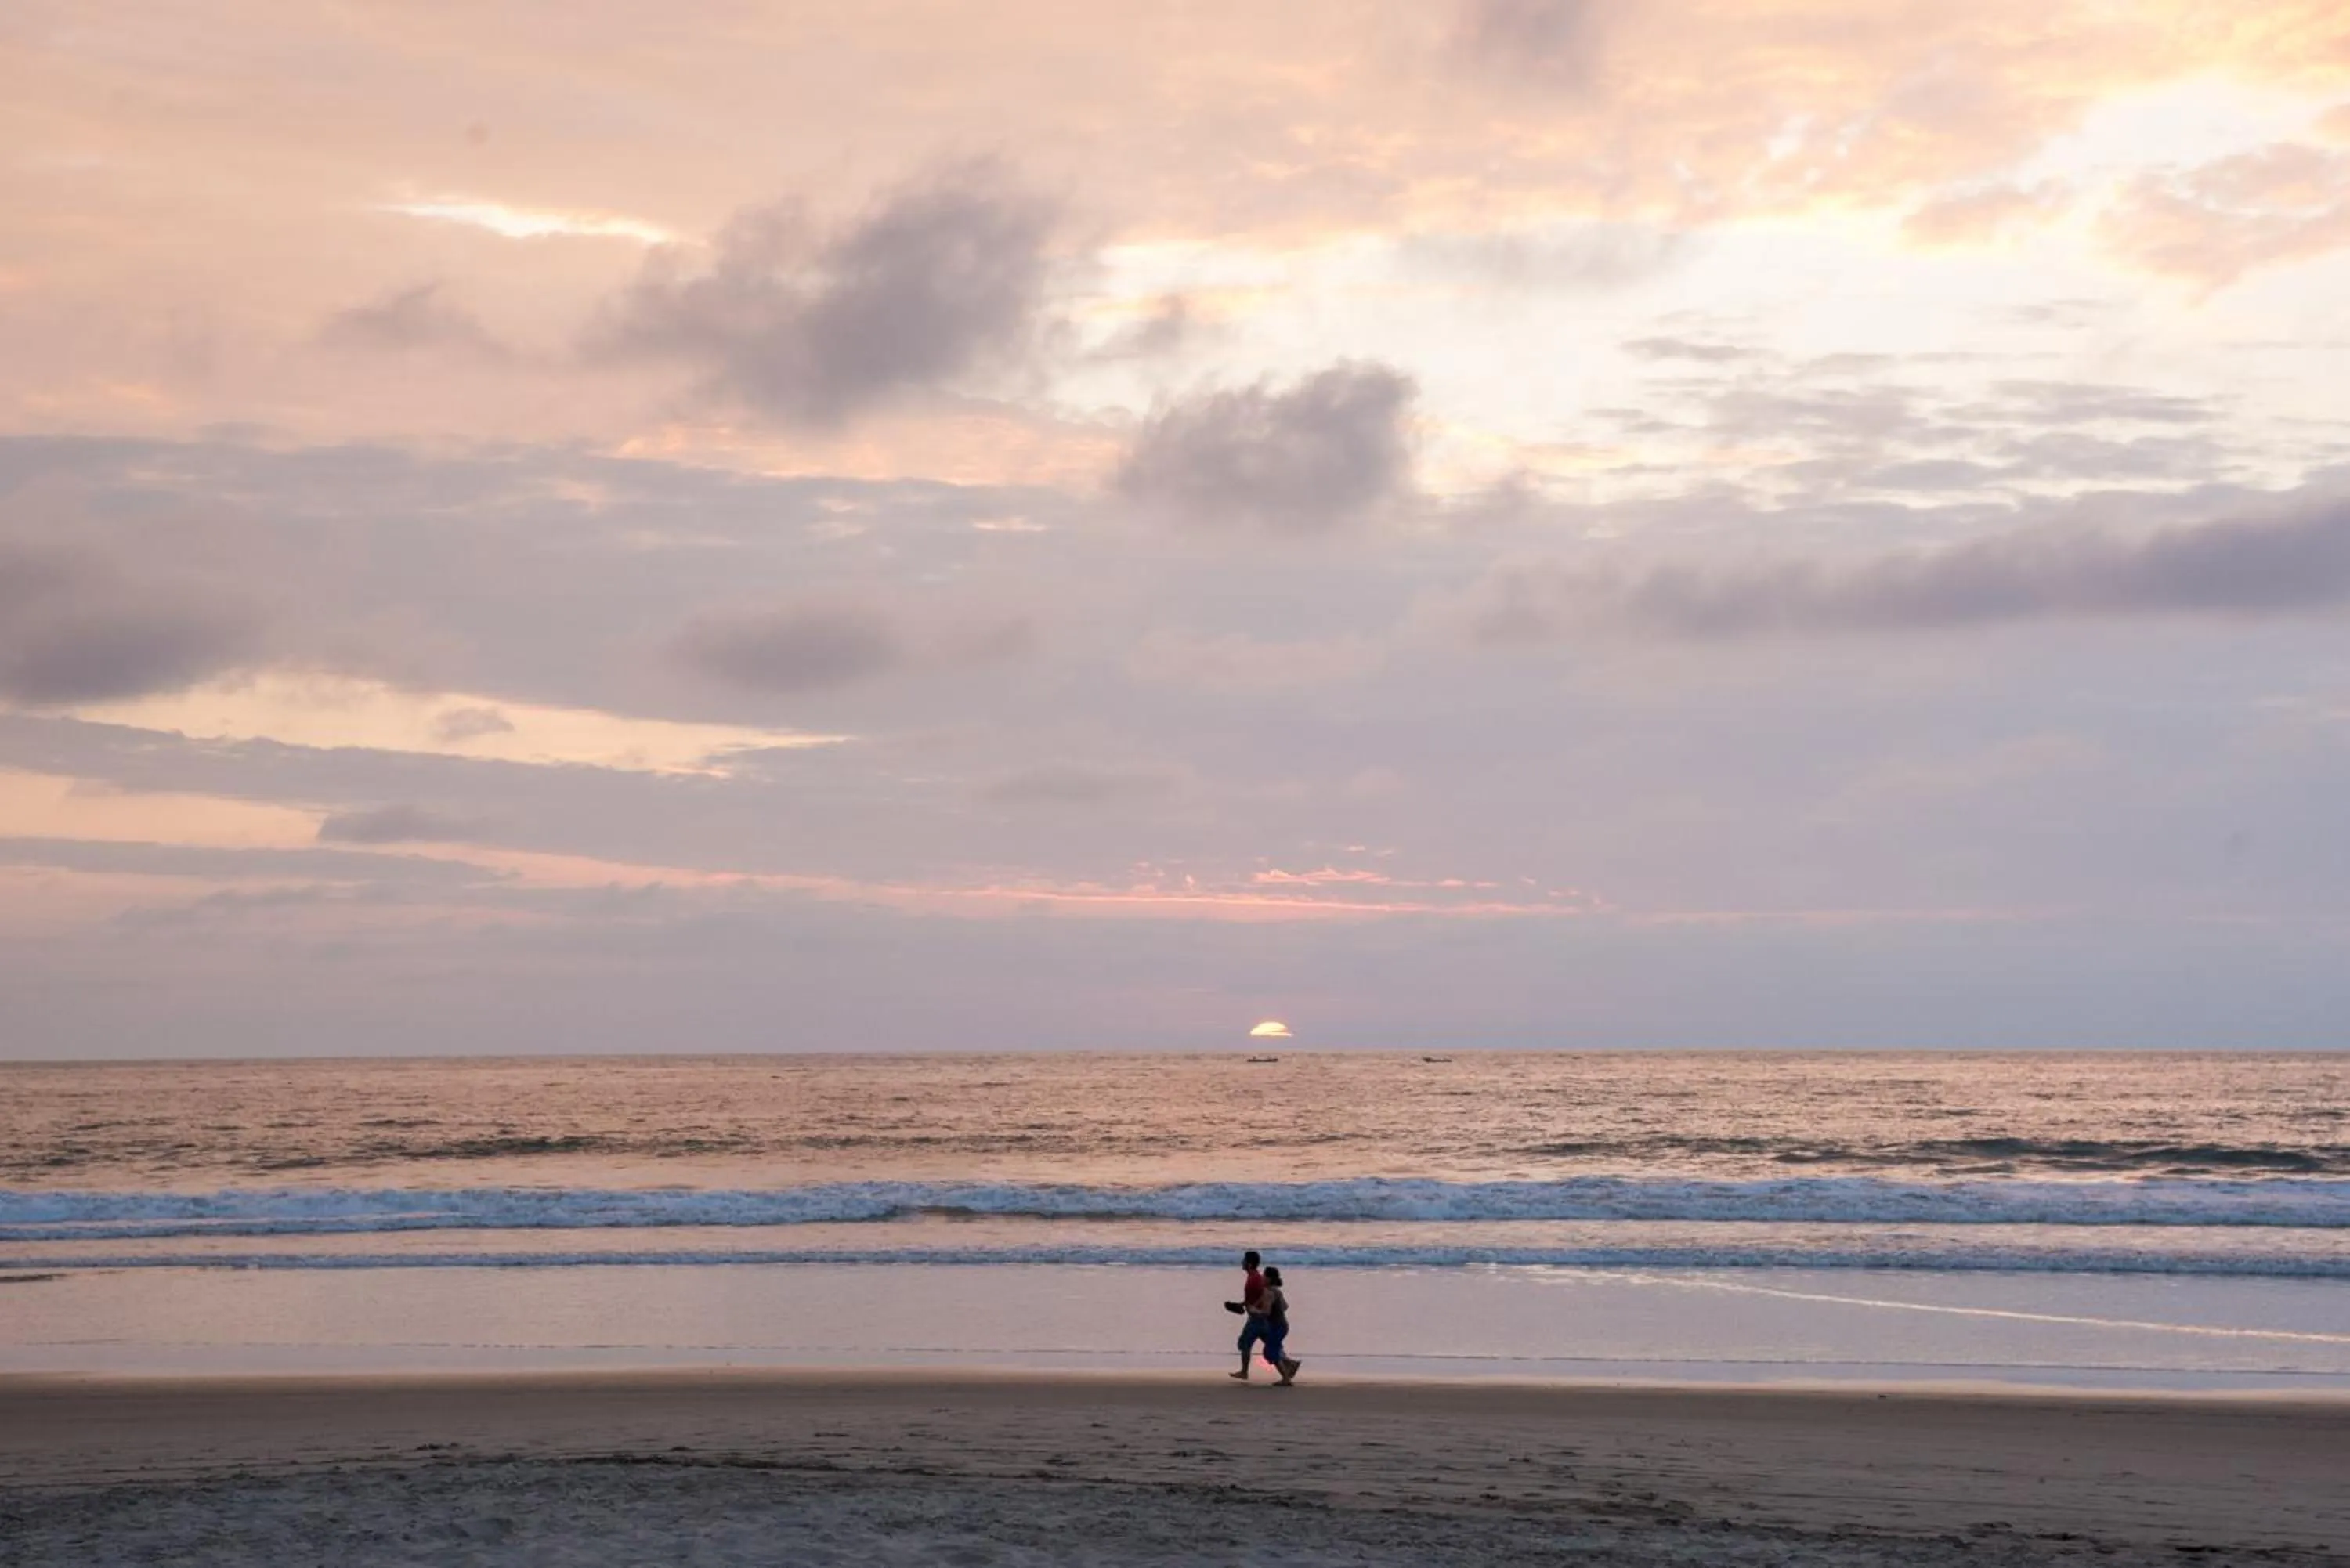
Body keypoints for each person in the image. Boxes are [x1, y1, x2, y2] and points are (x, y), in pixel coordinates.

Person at [1224, 1249, 1267, 1378]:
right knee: (1270, 1344)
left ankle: (1244, 1372)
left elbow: (1263, 1295)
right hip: (1257, 1316)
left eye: (1244, 1260)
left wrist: (1253, 1307)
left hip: (1257, 1317)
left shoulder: (1255, 1278)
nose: (1241, 1262)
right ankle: (1289, 1365)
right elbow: (1253, 1297)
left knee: (1245, 1343)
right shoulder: (1254, 1277)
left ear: (1249, 1264)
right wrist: (1241, 1305)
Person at [1259, 1265, 1301, 1385]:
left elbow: (1266, 1312)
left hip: (1277, 1327)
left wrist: (1254, 1310)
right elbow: (1285, 1307)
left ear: (1269, 1278)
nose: (1262, 1277)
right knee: (1274, 1349)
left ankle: (1286, 1378)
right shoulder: (1277, 1291)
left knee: (1270, 1351)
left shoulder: (1269, 1292)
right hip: (1282, 1325)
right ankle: (1291, 1365)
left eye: (1264, 1276)